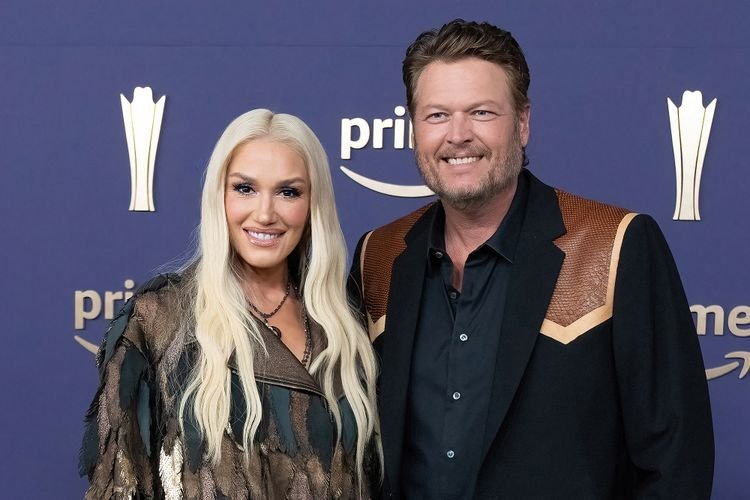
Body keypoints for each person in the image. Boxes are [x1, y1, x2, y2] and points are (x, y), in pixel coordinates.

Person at [348, 19, 714, 499]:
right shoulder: (379, 255)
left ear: (522, 123)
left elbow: (676, 459)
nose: (458, 135)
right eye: (437, 115)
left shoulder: (616, 245)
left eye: (481, 112)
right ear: (414, 128)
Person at [80, 109, 380, 499]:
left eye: (288, 192)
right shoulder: (158, 321)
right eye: (245, 188)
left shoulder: (344, 331)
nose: (265, 213)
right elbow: (120, 485)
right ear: (218, 196)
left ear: (313, 205)